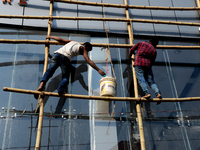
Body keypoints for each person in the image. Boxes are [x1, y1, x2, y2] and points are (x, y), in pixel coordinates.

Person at [35, 35, 106, 98]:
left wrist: (50, 37)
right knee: (66, 77)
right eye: (88, 50)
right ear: (86, 46)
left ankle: (41, 86)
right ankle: (60, 90)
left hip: (57, 54)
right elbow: (88, 60)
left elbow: (61, 39)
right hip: (65, 57)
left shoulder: (73, 42)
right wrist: (98, 70)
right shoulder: (83, 48)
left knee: (49, 71)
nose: (87, 52)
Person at [129, 38, 162, 104]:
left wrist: (131, 55)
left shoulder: (141, 43)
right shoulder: (154, 50)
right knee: (151, 82)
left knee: (141, 79)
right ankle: (158, 93)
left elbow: (131, 50)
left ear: (150, 41)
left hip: (139, 64)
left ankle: (147, 93)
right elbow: (152, 61)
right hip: (148, 66)